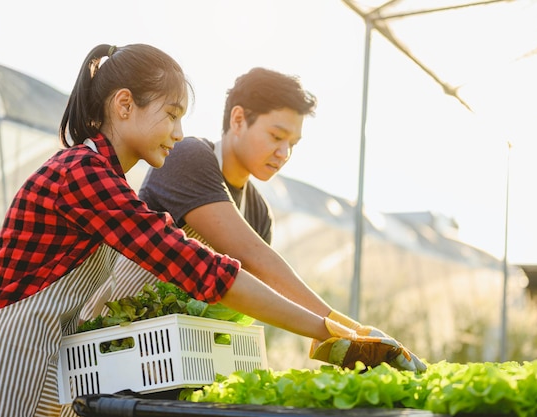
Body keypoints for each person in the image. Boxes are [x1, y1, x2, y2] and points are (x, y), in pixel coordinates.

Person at [0, 44, 336, 417]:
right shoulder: (82, 173)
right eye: (171, 114)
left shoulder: (106, 178)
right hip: (2, 353)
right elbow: (192, 262)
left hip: (46, 356)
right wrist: (328, 329)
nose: (179, 132)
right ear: (125, 104)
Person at [82, 68, 427, 373]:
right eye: (277, 137)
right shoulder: (190, 157)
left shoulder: (259, 212)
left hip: (186, 358)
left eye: (292, 143)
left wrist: (343, 338)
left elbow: (257, 295)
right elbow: (252, 259)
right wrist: (347, 330)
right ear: (237, 119)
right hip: (119, 346)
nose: (284, 154)